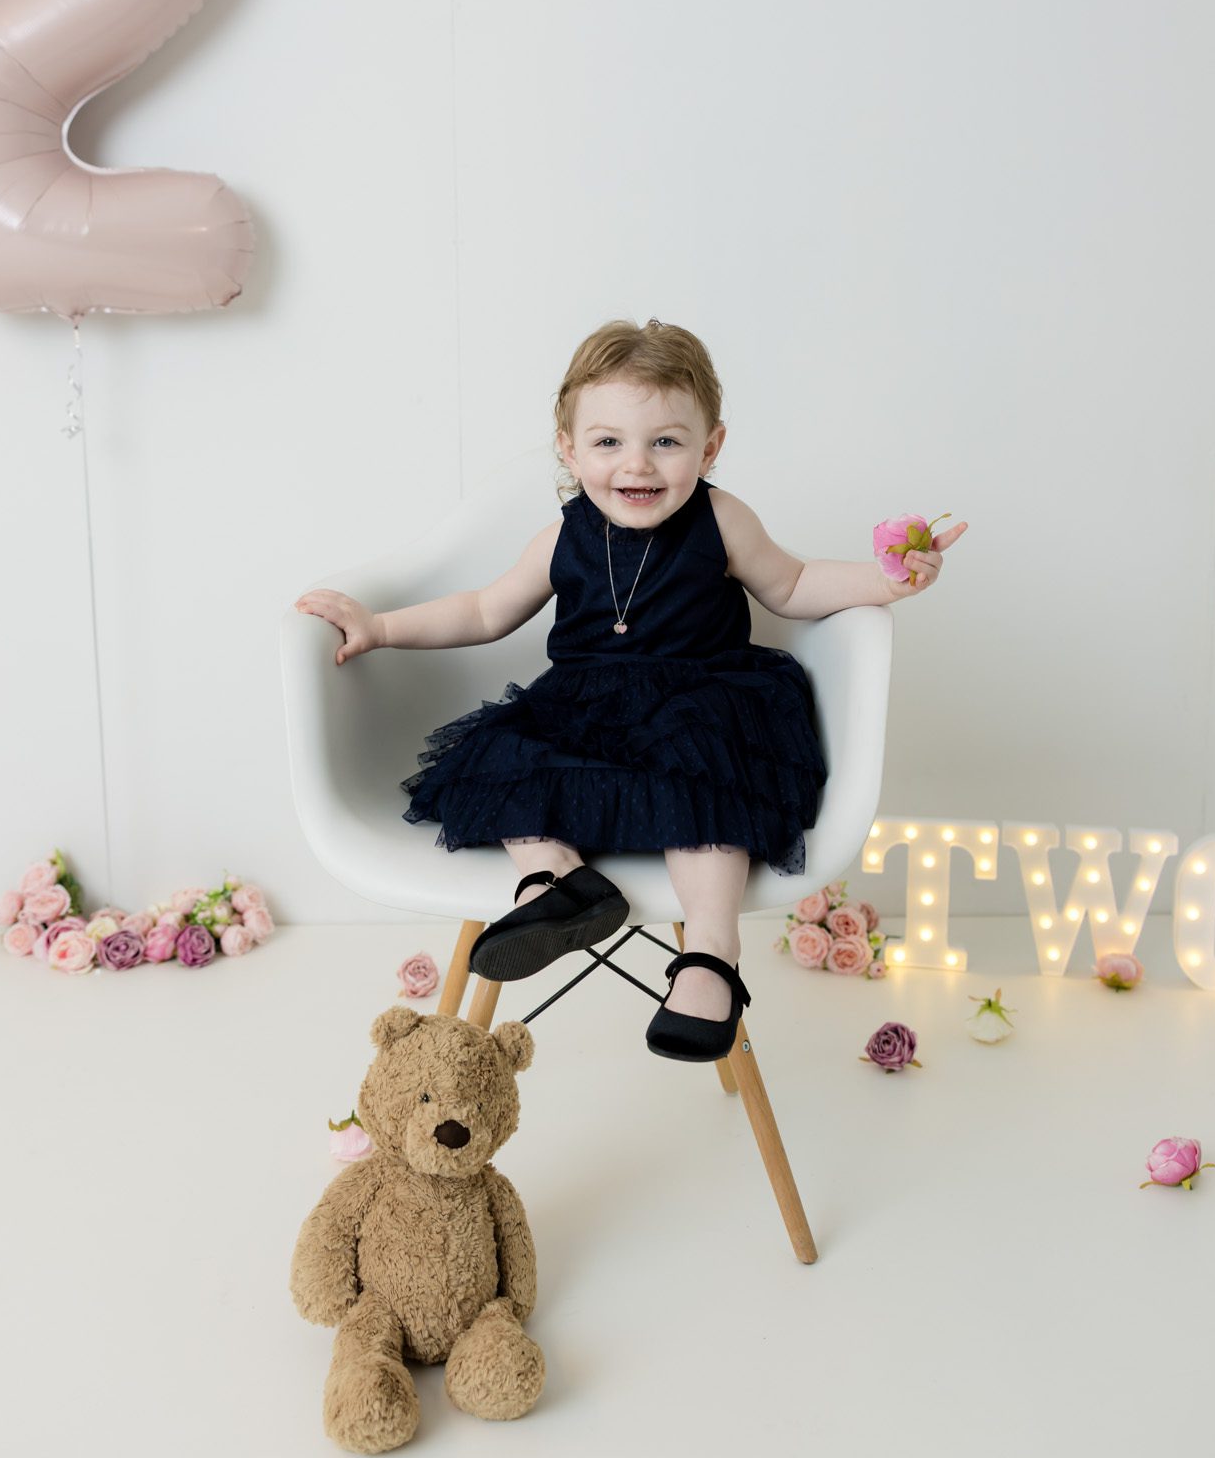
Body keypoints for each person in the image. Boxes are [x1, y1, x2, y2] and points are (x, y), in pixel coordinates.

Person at [296, 317, 967, 1063]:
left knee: (702, 787)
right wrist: (380, 626)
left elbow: (794, 584)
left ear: (709, 447)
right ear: (569, 448)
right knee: (507, 758)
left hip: (702, 699)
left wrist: (887, 581)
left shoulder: (721, 519)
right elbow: (485, 610)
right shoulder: (563, 536)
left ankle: (709, 956)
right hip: (585, 708)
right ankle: (558, 885)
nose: (636, 464)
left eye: (666, 442)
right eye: (608, 441)